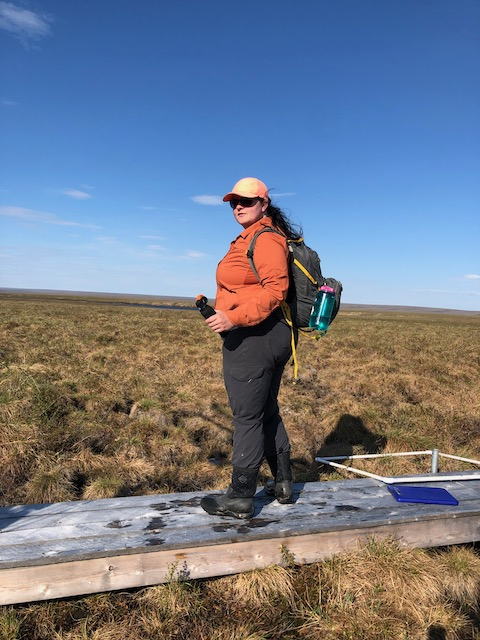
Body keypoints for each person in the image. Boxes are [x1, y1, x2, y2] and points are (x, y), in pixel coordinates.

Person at [200, 177, 301, 519]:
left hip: (256, 337)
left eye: (245, 200)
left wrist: (233, 319)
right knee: (265, 409)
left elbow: (276, 291)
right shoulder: (255, 237)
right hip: (264, 336)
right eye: (233, 202)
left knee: (246, 417)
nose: (238, 206)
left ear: (263, 203)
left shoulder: (266, 238)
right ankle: (284, 483)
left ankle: (241, 496)